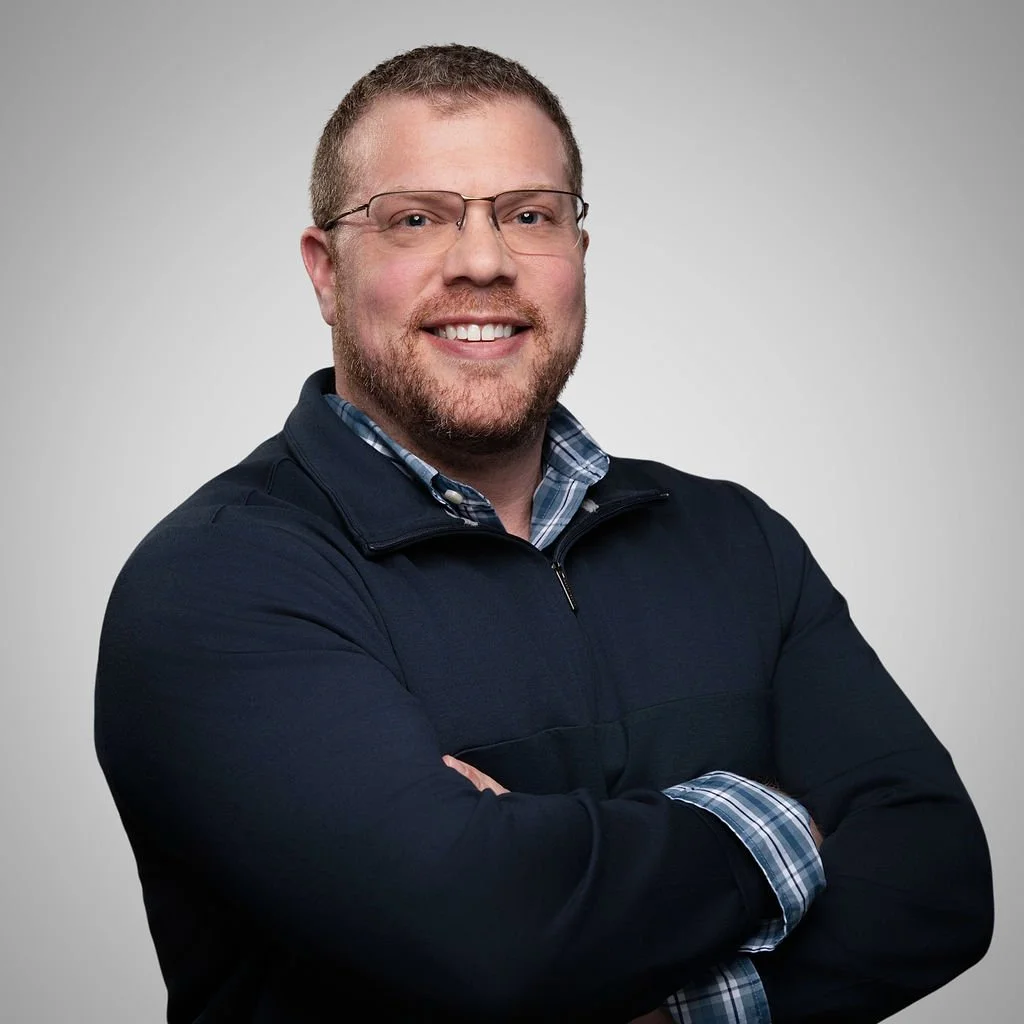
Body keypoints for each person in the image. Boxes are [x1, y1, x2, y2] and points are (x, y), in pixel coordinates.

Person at [94, 43, 992, 1023]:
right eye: (415, 218)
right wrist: (775, 822)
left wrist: (662, 998)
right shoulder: (216, 582)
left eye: (528, 215)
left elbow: (938, 877)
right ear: (325, 272)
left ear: (578, 255)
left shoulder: (735, 539)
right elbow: (479, 928)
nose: (483, 262)